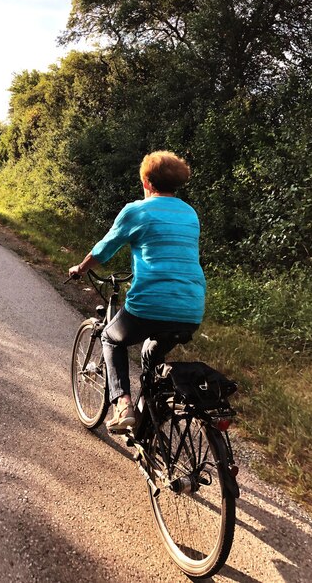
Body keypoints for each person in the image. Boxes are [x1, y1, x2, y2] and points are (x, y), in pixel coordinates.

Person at [68, 151, 206, 431]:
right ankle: (151, 413)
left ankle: (123, 405)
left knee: (111, 338)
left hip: (150, 303)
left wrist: (81, 268)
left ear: (146, 181)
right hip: (190, 307)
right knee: (151, 354)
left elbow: (104, 249)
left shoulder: (137, 210)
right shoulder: (189, 213)